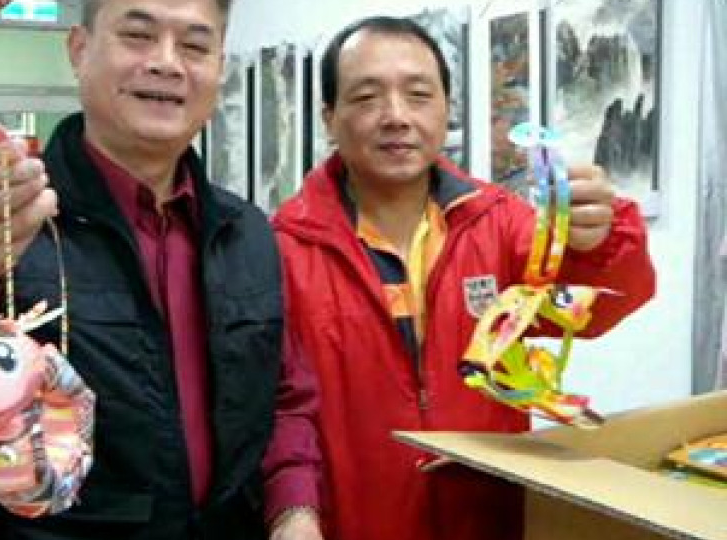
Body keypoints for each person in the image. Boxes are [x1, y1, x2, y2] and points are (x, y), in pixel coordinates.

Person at [0, 1, 323, 538]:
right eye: (137, 35)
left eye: (194, 45)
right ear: (79, 49)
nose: (167, 62)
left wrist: (294, 508)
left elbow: (282, 399)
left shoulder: (247, 233)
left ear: (218, 69)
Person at [272, 16, 655, 540]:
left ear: (446, 109)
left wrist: (604, 236)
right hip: (355, 522)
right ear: (329, 118)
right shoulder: (284, 248)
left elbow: (601, 307)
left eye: (418, 95)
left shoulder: (499, 222)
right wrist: (292, 512)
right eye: (366, 97)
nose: (396, 116)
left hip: (486, 517)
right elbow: (277, 410)